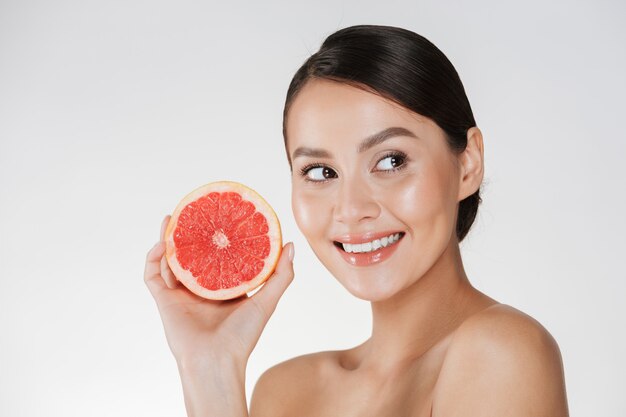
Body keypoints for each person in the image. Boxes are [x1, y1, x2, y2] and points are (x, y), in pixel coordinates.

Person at [143, 24, 569, 416]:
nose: (350, 208)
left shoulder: (502, 351)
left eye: (390, 160)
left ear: (468, 163)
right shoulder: (287, 392)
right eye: (321, 172)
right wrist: (210, 366)